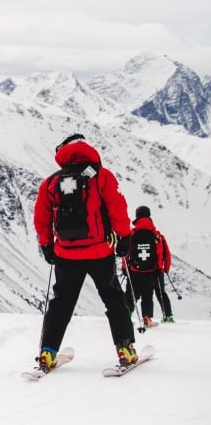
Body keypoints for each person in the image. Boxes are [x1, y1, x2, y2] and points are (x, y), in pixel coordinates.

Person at [33, 133, 137, 371]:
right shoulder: (101, 177)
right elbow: (117, 208)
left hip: (66, 254)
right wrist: (124, 237)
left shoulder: (51, 182)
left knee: (61, 303)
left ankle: (47, 352)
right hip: (100, 252)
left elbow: (42, 217)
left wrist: (47, 244)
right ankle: (125, 348)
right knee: (113, 299)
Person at [122, 205, 174, 324]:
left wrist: (125, 268)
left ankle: (126, 317)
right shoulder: (157, 235)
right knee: (149, 295)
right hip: (153, 270)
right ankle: (152, 317)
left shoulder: (132, 234)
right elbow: (164, 253)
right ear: (149, 216)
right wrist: (164, 268)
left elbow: (126, 252)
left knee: (130, 294)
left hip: (134, 269)